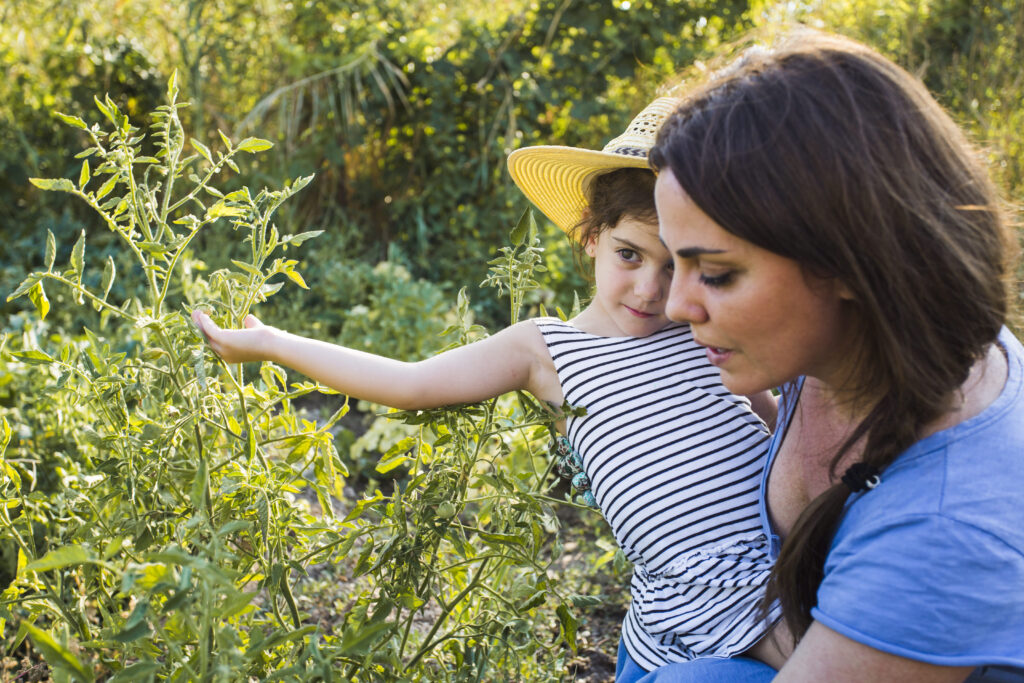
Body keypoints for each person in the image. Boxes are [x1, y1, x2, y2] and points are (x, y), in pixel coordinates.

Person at [193, 98, 787, 673]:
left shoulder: (699, 328)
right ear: (590, 238)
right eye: (629, 255)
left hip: (778, 557)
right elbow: (408, 382)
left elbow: (775, 422)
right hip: (696, 591)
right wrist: (272, 343)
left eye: (675, 264)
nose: (650, 291)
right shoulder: (546, 348)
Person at [646, 29, 1024, 682]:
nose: (676, 307)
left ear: (850, 263)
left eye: (717, 274)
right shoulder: (876, 337)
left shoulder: (944, 527)